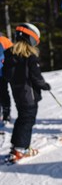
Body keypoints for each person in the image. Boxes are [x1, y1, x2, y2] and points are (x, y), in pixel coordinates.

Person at [2, 24, 51, 163]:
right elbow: (36, 77)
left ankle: (16, 146)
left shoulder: (10, 55)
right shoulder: (30, 57)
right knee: (28, 120)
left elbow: (6, 76)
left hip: (18, 94)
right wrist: (44, 85)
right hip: (29, 96)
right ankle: (21, 149)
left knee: (22, 119)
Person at [0, 33, 13, 125]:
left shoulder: (4, 40)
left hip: (2, 73)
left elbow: (13, 54)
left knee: (3, 93)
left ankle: (6, 114)